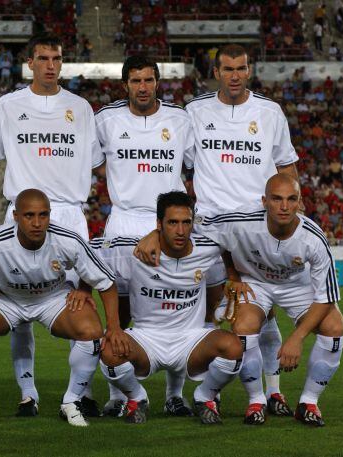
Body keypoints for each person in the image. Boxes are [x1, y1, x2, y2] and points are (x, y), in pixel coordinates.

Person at [137, 43, 300, 421]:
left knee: (263, 310)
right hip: (209, 229)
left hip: (257, 228)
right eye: (227, 69)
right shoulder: (194, 113)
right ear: (216, 72)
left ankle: (271, 393)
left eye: (241, 68)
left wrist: (291, 216)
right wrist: (153, 224)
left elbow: (287, 168)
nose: (235, 76)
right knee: (211, 310)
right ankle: (213, 387)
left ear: (249, 70)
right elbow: (174, 167)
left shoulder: (270, 112)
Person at [0, 33, 103, 416]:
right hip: (21, 213)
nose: (51, 65)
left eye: (57, 57)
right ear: (29, 63)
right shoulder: (8, 105)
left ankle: (77, 393)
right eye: (43, 58)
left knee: (78, 302)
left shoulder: (81, 107)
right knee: (19, 305)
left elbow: (95, 160)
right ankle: (27, 394)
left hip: (68, 212)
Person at [0, 189, 125, 427]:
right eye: (29, 216)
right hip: (7, 299)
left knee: (91, 329)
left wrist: (114, 326)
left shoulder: (68, 239)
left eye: (43, 215)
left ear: (50, 215)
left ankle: (72, 401)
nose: (37, 223)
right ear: (15, 216)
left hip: (52, 298)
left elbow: (107, 282)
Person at [94, 55, 198, 416]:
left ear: (158, 82)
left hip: (167, 225)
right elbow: (93, 164)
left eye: (149, 80)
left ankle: (175, 394)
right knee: (117, 313)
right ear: (125, 84)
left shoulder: (179, 120)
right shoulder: (105, 120)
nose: (143, 87)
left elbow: (191, 169)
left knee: (173, 310)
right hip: (122, 223)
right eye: (135, 80)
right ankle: (119, 393)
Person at [198, 174, 343, 426]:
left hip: (297, 286)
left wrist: (296, 339)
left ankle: (309, 402)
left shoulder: (314, 238)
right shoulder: (240, 221)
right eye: (276, 199)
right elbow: (198, 225)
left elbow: (326, 297)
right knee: (244, 326)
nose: (284, 206)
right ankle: (256, 401)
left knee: (335, 326)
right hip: (254, 283)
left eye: (291, 199)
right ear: (264, 201)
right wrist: (232, 275)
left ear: (300, 203)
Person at [92, 191, 243, 425]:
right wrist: (83, 290)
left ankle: (204, 397)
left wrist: (233, 275)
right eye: (172, 222)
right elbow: (88, 250)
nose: (181, 231)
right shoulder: (134, 249)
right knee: (110, 350)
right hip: (146, 338)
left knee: (233, 348)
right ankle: (137, 397)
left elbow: (232, 243)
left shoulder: (209, 247)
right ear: (158, 223)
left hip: (190, 340)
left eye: (186, 222)